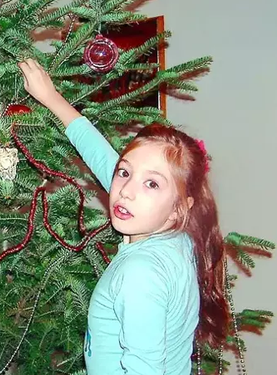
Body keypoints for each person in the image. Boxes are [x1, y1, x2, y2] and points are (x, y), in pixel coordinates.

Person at [18, 58, 230, 374]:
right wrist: (52, 99)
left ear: (179, 207)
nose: (126, 191)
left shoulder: (140, 274)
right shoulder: (179, 235)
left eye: (152, 183)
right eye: (125, 173)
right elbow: (106, 161)